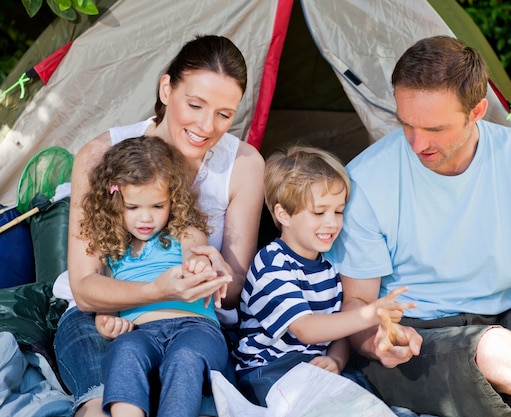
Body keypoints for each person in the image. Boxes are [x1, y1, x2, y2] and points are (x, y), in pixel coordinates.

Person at [325, 35, 511, 417]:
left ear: (478, 110)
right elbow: (358, 305)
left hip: (510, 323)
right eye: (406, 124)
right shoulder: (367, 180)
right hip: (417, 341)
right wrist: (376, 341)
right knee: (495, 350)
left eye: (435, 129)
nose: (417, 144)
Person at [52, 35, 265, 417]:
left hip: (191, 322)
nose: (206, 126)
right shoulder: (101, 156)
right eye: (195, 104)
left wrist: (215, 274)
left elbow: (232, 294)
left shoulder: (245, 165)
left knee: (187, 380)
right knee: (103, 404)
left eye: (224, 114)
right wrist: (154, 289)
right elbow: (85, 290)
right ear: (167, 88)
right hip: (102, 318)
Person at [232, 145, 415, 407]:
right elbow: (305, 329)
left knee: (365, 396)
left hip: (313, 367)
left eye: (338, 211)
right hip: (268, 369)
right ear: (283, 214)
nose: (332, 222)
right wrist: (370, 313)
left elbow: (338, 329)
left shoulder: (327, 267)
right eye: (319, 212)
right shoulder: (272, 263)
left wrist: (337, 360)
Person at [79, 136, 232, 417]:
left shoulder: (184, 232)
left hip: (196, 328)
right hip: (141, 332)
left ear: (173, 200)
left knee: (184, 359)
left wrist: (198, 264)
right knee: (124, 352)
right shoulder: (115, 251)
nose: (146, 219)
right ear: (114, 204)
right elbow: (107, 300)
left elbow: (196, 252)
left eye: (157, 207)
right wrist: (106, 322)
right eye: (133, 208)